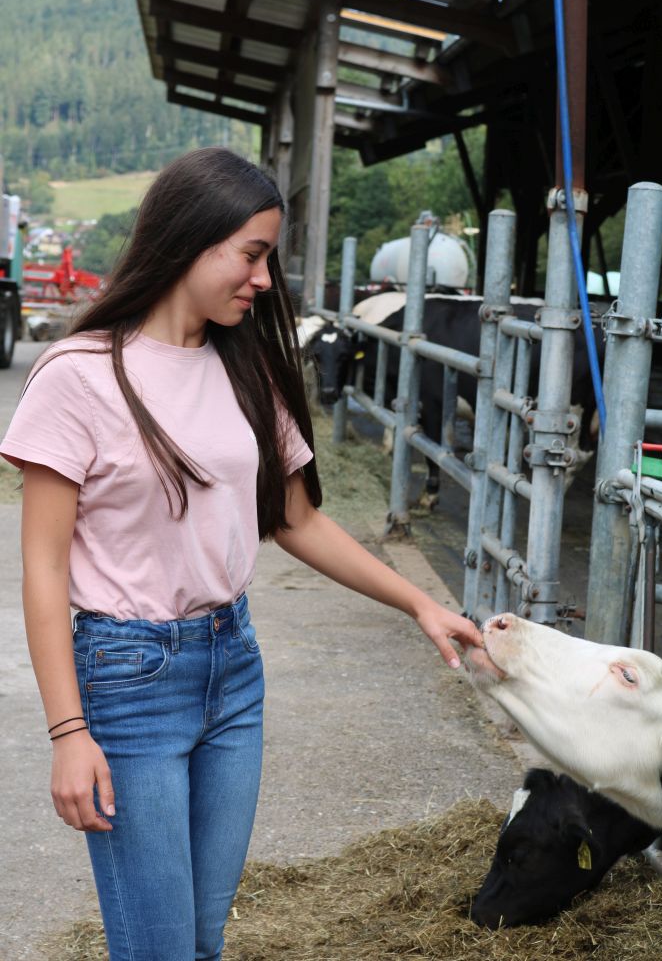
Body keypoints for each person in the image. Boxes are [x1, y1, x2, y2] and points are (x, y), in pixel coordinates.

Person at [0, 147, 482, 961]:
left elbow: (296, 520)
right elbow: (42, 568)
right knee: (157, 950)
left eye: (268, 258)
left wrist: (420, 604)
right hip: (128, 676)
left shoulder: (245, 365)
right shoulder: (77, 375)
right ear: (190, 239)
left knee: (201, 941)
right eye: (251, 254)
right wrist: (67, 732)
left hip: (234, 667)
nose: (262, 280)